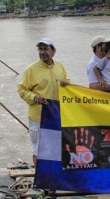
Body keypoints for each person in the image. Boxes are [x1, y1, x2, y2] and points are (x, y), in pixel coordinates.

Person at [17, 37, 70, 167]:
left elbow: (68, 83)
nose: (42, 52)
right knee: (38, 148)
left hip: (56, 114)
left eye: (45, 49)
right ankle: (38, 178)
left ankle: (53, 175)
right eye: (40, 49)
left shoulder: (60, 67)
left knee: (56, 145)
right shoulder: (31, 69)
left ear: (53, 51)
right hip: (38, 116)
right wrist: (35, 98)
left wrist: (67, 83)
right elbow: (21, 90)